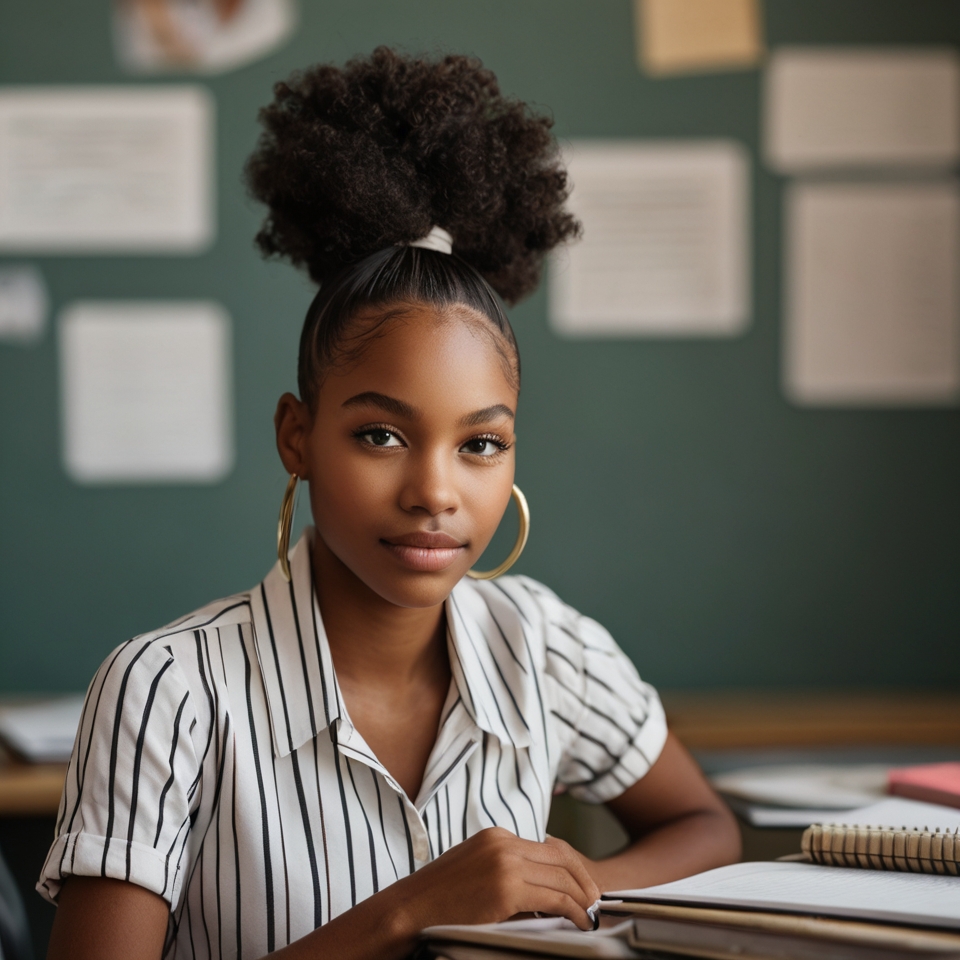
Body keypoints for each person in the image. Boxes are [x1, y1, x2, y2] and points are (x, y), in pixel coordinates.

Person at [39, 47, 740, 960]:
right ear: (298, 436)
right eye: (381, 435)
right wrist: (410, 911)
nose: (435, 492)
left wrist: (563, 890)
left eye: (480, 444)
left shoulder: (545, 647)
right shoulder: (168, 692)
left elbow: (703, 825)